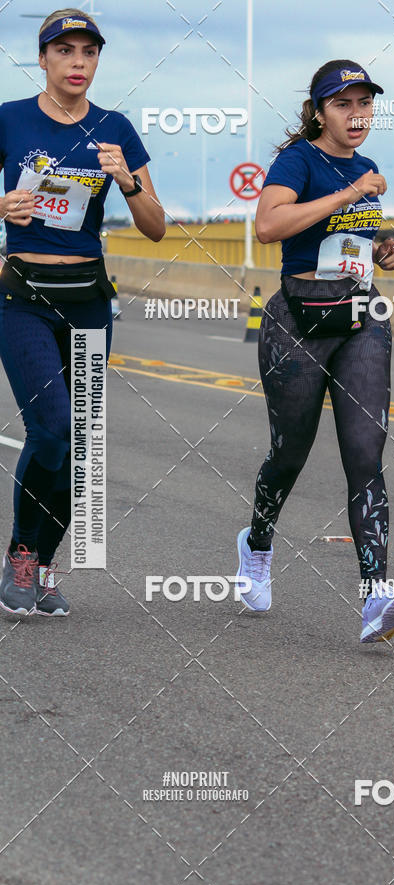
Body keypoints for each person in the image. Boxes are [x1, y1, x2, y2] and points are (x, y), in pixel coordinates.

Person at [236, 60, 394, 643]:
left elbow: (350, 236)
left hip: (361, 316)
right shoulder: (299, 161)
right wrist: (351, 191)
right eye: (343, 103)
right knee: (289, 455)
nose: (357, 113)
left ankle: (375, 599)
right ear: (320, 111)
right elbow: (269, 225)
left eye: (364, 102)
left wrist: (385, 246)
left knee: (364, 454)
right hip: (298, 320)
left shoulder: (365, 167)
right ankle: (257, 544)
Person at [0, 8, 165, 617]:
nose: (77, 63)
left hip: (89, 302)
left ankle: (43, 567)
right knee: (52, 428)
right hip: (22, 297)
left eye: (88, 53)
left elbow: (156, 228)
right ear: (42, 58)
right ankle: (20, 555)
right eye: (64, 51)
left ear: (98, 61)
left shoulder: (114, 127)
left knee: (81, 442)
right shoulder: (9, 119)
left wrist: (127, 181)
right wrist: (3, 205)